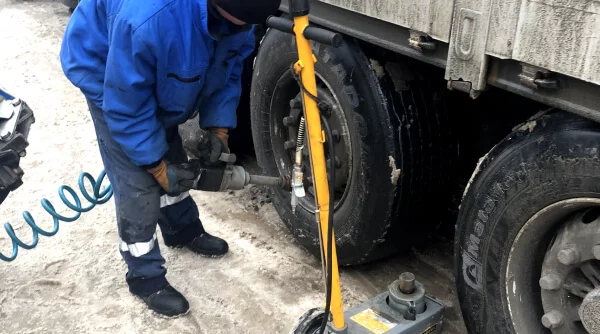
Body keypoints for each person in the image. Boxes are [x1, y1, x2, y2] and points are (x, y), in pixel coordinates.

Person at [59, 0, 281, 317]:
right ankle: (145, 277)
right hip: (106, 69)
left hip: (156, 60)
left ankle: (182, 230)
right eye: (234, 24)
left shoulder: (238, 22)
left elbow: (228, 69)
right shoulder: (147, 20)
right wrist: (155, 166)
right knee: (139, 186)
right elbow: (127, 107)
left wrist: (218, 129)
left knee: (175, 160)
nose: (240, 31)